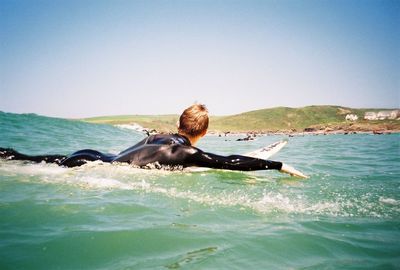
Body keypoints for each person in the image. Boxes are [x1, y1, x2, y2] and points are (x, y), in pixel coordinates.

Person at [0, 104, 307, 177]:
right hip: (95, 169)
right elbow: (226, 162)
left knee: (24, 158)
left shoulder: (157, 135)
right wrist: (277, 165)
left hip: (90, 155)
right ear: (203, 133)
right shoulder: (185, 151)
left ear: (179, 124)